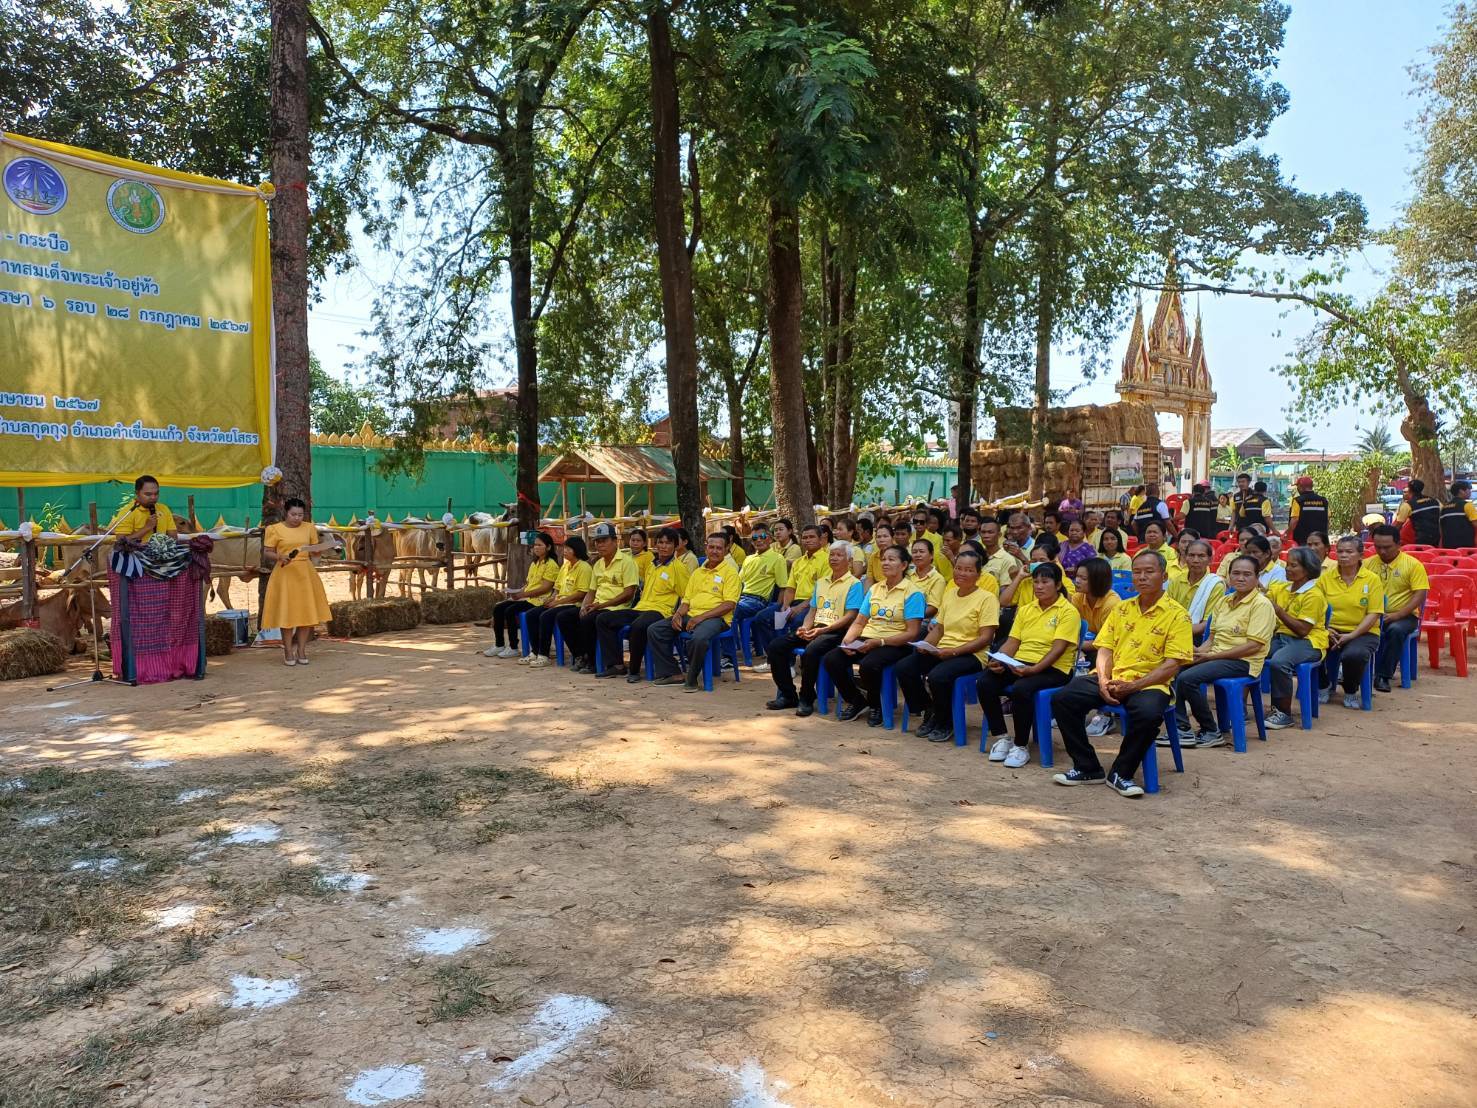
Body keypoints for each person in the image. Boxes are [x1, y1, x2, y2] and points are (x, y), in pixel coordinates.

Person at [1051, 549, 1194, 796]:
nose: (1142, 577)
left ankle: (1121, 772)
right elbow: (1104, 649)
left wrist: (1134, 686)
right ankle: (1087, 766)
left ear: (1164, 575)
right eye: (1137, 572)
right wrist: (1104, 680)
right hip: (1113, 677)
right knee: (1063, 699)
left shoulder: (1177, 615)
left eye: (1149, 572)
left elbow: (1172, 664)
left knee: (1148, 714)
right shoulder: (1122, 608)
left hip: (1150, 682)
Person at [976, 563, 1082, 767]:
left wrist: (1034, 670)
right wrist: (998, 659)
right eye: (1035, 582)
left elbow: (1058, 649)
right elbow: (1012, 642)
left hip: (1055, 668)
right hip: (1022, 662)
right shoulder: (1026, 610)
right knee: (985, 682)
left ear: (1058, 584)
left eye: (1045, 582)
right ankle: (1001, 736)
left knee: (1021, 689)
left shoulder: (1068, 611)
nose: (1039, 586)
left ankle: (1020, 745)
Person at [1170, 554, 1276, 747]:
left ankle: (1211, 730)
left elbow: (1254, 646)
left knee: (1188, 679)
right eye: (1236, 573)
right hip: (1217, 656)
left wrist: (1211, 657)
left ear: (1256, 578)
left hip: (1244, 661)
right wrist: (1198, 653)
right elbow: (1212, 638)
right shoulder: (1224, 601)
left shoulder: (1261, 604)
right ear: (1229, 576)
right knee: (1174, 669)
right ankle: (1181, 728)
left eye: (1247, 574)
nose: (1241, 578)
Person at [897, 549, 999, 743]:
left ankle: (946, 722)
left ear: (978, 574)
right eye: (958, 568)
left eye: (968, 570)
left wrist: (954, 652)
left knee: (938, 677)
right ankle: (930, 709)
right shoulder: (950, 593)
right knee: (905, 668)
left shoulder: (987, 598)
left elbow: (986, 638)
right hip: (943, 649)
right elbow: (940, 629)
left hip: (972, 654)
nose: (961, 573)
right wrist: (926, 644)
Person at [823, 545, 925, 725]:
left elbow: (912, 632)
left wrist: (880, 642)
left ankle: (875, 705)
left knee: (869, 665)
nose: (885, 563)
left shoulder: (913, 593)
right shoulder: (875, 589)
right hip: (869, 638)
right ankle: (856, 700)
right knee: (832, 659)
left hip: (896, 643)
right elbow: (860, 621)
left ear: (903, 565)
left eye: (891, 559)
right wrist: (848, 639)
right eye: (884, 559)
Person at [765, 541, 866, 715]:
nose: (834, 558)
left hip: (837, 631)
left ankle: (806, 697)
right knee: (776, 647)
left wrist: (822, 631)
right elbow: (813, 610)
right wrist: (805, 628)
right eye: (832, 554)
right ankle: (789, 695)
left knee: (812, 651)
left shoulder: (854, 584)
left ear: (849, 561)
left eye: (839, 555)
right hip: (816, 628)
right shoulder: (822, 582)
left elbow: (851, 616)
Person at [648, 532, 741, 690]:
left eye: (719, 548)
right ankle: (673, 673)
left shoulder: (730, 573)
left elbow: (729, 605)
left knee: (698, 638)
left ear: (726, 549)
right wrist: (678, 614)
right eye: (711, 547)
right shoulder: (697, 572)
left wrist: (700, 618)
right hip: (691, 615)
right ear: (705, 548)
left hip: (717, 618)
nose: (714, 551)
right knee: (655, 629)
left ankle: (692, 678)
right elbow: (686, 600)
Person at [596, 527, 690, 682]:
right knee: (604, 619)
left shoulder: (678, 568)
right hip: (641, 607)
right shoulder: (652, 565)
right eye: (660, 542)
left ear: (675, 545)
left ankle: (634, 670)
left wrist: (679, 614)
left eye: (668, 543)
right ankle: (616, 665)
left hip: (661, 610)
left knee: (638, 626)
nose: (663, 546)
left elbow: (687, 595)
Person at [261, 496, 339, 666]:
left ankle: (302, 650)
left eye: (300, 515)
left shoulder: (309, 528)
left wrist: (318, 550)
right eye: (293, 514)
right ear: (286, 513)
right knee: (287, 613)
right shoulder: (274, 529)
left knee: (306, 613)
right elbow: (267, 551)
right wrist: (279, 556)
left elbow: (314, 550)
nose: (297, 518)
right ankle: (288, 651)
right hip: (285, 573)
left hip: (305, 572)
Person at [1264, 546, 1328, 729]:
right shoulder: (1282, 588)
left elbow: (1302, 630)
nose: (1287, 569)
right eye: (1287, 565)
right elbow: (1263, 598)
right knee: (1252, 651)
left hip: (1309, 641)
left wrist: (1278, 610)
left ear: (1307, 569)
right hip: (1282, 637)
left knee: (1279, 662)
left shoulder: (1313, 595)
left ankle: (1283, 713)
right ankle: (1242, 708)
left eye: (1294, 566)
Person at [1316, 535, 1384, 708]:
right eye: (1340, 551)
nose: (1343, 555)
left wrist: (1352, 635)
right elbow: (1317, 608)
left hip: (1363, 632)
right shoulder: (1325, 578)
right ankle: (1323, 686)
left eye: (1349, 552)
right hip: (1330, 629)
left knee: (1354, 655)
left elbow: (1374, 614)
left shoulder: (1372, 579)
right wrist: (1326, 629)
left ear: (1361, 556)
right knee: (1309, 648)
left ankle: (1350, 691)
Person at [1364, 523, 1429, 693]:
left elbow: (1419, 595)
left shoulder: (1413, 565)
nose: (1382, 551)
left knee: (1395, 630)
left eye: (1387, 547)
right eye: (1377, 547)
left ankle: (1383, 676)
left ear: (1399, 544)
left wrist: (1397, 615)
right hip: (1372, 614)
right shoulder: (1366, 564)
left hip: (1405, 615)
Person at [576, 522, 640, 674]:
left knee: (597, 619)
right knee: (577, 616)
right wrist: (584, 606)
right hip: (599, 607)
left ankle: (615, 664)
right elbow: (591, 591)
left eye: (604, 540)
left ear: (615, 541)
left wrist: (600, 606)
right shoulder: (598, 565)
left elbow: (628, 593)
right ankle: (587, 658)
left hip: (620, 608)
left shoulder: (627, 562)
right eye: (597, 541)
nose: (599, 545)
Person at [484, 531, 559, 657]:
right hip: (528, 597)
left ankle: (513, 647)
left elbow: (545, 588)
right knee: (498, 608)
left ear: (549, 547)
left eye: (540, 545)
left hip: (539, 600)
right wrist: (516, 593)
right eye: (535, 545)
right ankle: (499, 644)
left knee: (510, 611)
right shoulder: (535, 564)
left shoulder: (551, 565)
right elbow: (528, 584)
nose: (536, 547)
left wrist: (523, 595)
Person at [529, 536, 592, 669]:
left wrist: (557, 603)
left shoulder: (584, 567)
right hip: (560, 603)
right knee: (533, 614)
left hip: (574, 605)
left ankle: (544, 655)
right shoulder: (565, 566)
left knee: (548, 616)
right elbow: (557, 589)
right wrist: (551, 598)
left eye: (568, 548)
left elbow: (581, 594)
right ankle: (534, 651)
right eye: (564, 548)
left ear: (577, 550)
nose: (565, 551)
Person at [735, 523, 789, 659]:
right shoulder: (748, 559)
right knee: (718, 610)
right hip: (741, 598)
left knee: (730, 611)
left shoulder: (777, 558)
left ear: (770, 539)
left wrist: (778, 608)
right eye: (754, 538)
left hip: (758, 601)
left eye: (763, 536)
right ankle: (725, 654)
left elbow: (783, 587)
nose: (759, 540)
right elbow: (738, 583)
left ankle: (728, 655)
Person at [1167, 539, 1224, 642]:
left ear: (1210, 559)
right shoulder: (1176, 581)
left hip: (1197, 636)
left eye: (1201, 556)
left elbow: (1207, 623)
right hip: (1171, 629)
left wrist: (1177, 632)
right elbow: (1167, 611)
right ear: (1185, 557)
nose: (1195, 560)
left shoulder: (1215, 585)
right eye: (1191, 555)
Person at [111, 475, 179, 540]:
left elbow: (173, 537)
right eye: (148, 494)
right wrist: (146, 528)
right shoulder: (128, 512)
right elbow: (121, 542)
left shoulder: (164, 509)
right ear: (137, 493)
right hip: (136, 551)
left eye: (156, 493)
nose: (153, 497)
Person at [1072, 557, 1120, 645]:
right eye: (1077, 576)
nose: (1077, 581)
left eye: (1083, 578)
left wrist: (1077, 646)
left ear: (1098, 581)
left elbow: (1108, 641)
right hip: (1085, 642)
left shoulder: (1111, 604)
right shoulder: (1077, 597)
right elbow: (1072, 628)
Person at [977, 518, 1023, 590]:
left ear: (999, 535)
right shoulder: (977, 555)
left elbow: (1005, 589)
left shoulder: (1007, 559)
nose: (986, 535)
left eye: (990, 532)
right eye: (983, 532)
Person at [1394, 479, 1442, 546]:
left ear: (1409, 490)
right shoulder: (1435, 501)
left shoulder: (1407, 505)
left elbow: (1397, 526)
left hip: (1421, 540)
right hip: (1437, 538)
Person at [909, 539, 948, 618]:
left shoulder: (938, 579)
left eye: (921, 551)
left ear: (931, 555)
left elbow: (933, 608)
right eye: (914, 552)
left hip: (923, 619)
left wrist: (910, 616)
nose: (917, 555)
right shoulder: (907, 574)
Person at [1286, 477, 1330, 545]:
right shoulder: (1323, 501)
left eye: (1297, 486)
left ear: (1301, 487)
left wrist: (1287, 534)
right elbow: (1328, 520)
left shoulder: (1298, 501)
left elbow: (1294, 520)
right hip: (1321, 540)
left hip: (1303, 540)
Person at [1440, 480, 1477, 549]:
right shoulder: (1467, 505)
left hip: (1448, 546)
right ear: (1461, 491)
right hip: (1465, 547)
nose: (1470, 491)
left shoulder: (1444, 508)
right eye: (1469, 489)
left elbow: (1441, 529)